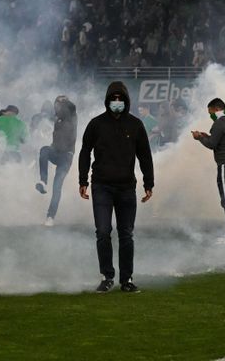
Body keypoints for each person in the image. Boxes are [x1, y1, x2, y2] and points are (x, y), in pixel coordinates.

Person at [79, 81, 154, 293]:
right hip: (101, 186)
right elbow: (85, 152)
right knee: (103, 232)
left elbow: (145, 156)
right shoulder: (96, 124)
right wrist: (82, 180)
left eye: (121, 99)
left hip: (127, 188)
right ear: (107, 100)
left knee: (126, 234)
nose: (117, 102)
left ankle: (127, 279)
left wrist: (149, 183)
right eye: (114, 99)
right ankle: (106, 276)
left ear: (127, 100)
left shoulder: (136, 125)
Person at [191, 98, 225, 243]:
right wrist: (206, 135)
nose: (210, 115)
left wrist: (199, 138)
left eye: (210, 112)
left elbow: (212, 144)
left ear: (216, 109)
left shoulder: (219, 123)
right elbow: (221, 139)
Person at [35, 95, 77, 226]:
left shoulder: (72, 115)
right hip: (56, 152)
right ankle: (43, 181)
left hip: (66, 157)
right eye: (56, 104)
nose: (57, 107)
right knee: (44, 150)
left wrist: (64, 101)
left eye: (59, 105)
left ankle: (50, 217)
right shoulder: (57, 120)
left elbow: (71, 108)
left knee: (57, 186)